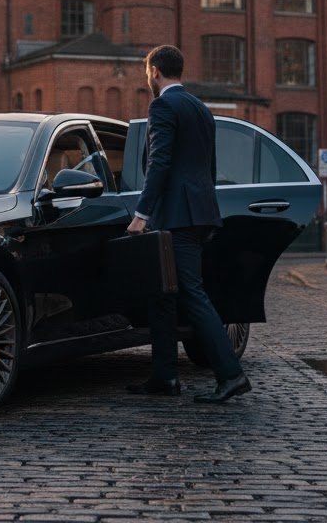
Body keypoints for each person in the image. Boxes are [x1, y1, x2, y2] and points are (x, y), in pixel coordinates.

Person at [125, 44, 251, 404]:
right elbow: (209, 167)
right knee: (163, 294)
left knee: (191, 294)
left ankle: (231, 374)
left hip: (176, 215)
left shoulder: (162, 106)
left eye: (147, 72)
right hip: (198, 212)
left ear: (155, 71)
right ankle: (164, 376)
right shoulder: (200, 108)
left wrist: (141, 214)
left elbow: (159, 162)